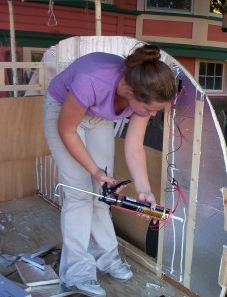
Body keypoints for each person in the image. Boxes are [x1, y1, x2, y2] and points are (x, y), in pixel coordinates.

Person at [43, 44, 177, 296]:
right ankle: (76, 273)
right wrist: (95, 170)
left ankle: (106, 257)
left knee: (103, 194)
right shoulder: (91, 80)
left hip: (99, 117)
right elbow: (67, 131)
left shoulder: (143, 92)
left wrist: (144, 190)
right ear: (130, 91)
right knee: (80, 193)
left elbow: (134, 146)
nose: (151, 114)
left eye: (156, 111)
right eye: (149, 110)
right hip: (64, 112)